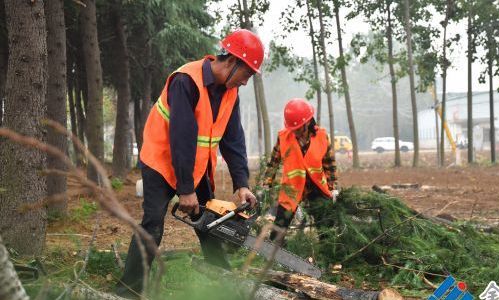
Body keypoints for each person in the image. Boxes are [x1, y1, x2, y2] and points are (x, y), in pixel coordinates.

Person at [116, 29, 263, 298]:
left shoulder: (230, 93)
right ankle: (128, 290)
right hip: (160, 162)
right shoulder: (186, 80)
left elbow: (233, 140)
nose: (245, 82)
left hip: (193, 166)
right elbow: (181, 137)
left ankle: (224, 285)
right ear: (231, 62)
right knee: (152, 224)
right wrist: (185, 190)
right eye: (247, 74)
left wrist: (242, 184)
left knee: (209, 224)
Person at [261, 98, 339, 241]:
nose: (295, 132)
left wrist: (332, 187)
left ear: (308, 122)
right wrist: (266, 182)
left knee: (325, 224)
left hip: (316, 187)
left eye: (298, 129)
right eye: (293, 129)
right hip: (292, 187)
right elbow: (274, 162)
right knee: (280, 224)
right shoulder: (284, 137)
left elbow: (329, 163)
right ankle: (273, 255)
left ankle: (329, 257)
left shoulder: (321, 136)